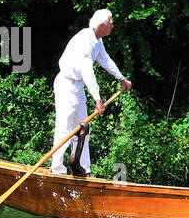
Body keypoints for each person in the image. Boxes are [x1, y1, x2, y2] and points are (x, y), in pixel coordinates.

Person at [50, 9, 131, 176]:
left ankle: (83, 169)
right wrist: (97, 99)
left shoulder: (97, 41)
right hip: (66, 85)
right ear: (101, 25)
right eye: (110, 23)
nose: (112, 26)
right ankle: (57, 170)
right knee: (64, 128)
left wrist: (121, 78)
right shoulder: (85, 40)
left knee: (83, 128)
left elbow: (105, 60)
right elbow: (87, 71)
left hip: (77, 87)